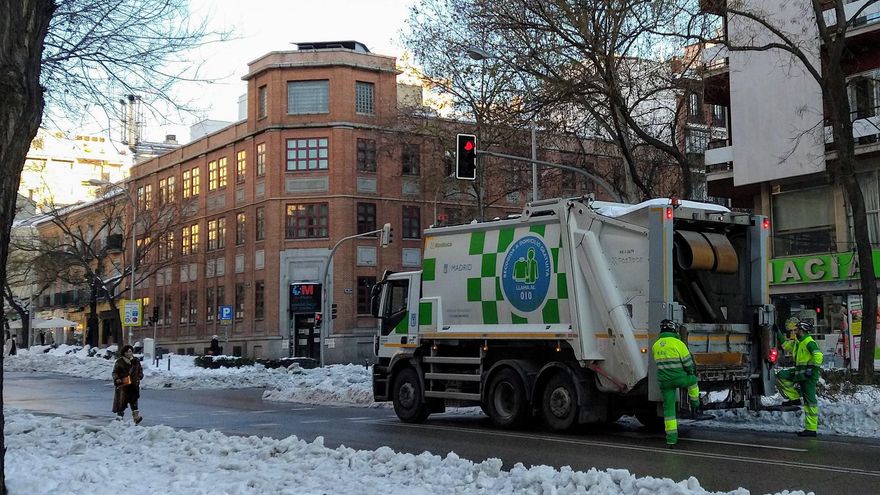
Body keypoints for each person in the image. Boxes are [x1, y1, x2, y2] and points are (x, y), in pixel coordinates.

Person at [652, 319, 707, 447]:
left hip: (665, 382)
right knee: (693, 381)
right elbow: (688, 363)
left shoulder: (656, 345)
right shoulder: (679, 344)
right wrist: (690, 372)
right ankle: (695, 404)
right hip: (679, 378)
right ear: (673, 329)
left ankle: (671, 440)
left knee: (669, 411)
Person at [775, 319, 823, 437]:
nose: (795, 331)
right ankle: (794, 398)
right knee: (781, 376)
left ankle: (811, 429)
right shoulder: (798, 342)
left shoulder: (809, 342)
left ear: (802, 330)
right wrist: (778, 333)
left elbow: (818, 356)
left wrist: (810, 368)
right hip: (800, 373)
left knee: (810, 402)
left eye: (797, 329)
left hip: (808, 376)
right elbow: (786, 345)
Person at [112, 344, 145, 424]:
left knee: (134, 401)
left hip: (133, 385)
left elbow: (140, 370)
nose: (128, 353)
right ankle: (119, 417)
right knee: (122, 402)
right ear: (124, 353)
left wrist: (139, 377)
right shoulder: (119, 362)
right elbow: (115, 372)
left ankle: (136, 417)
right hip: (123, 385)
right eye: (127, 352)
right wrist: (117, 379)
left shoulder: (136, 361)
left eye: (130, 351)